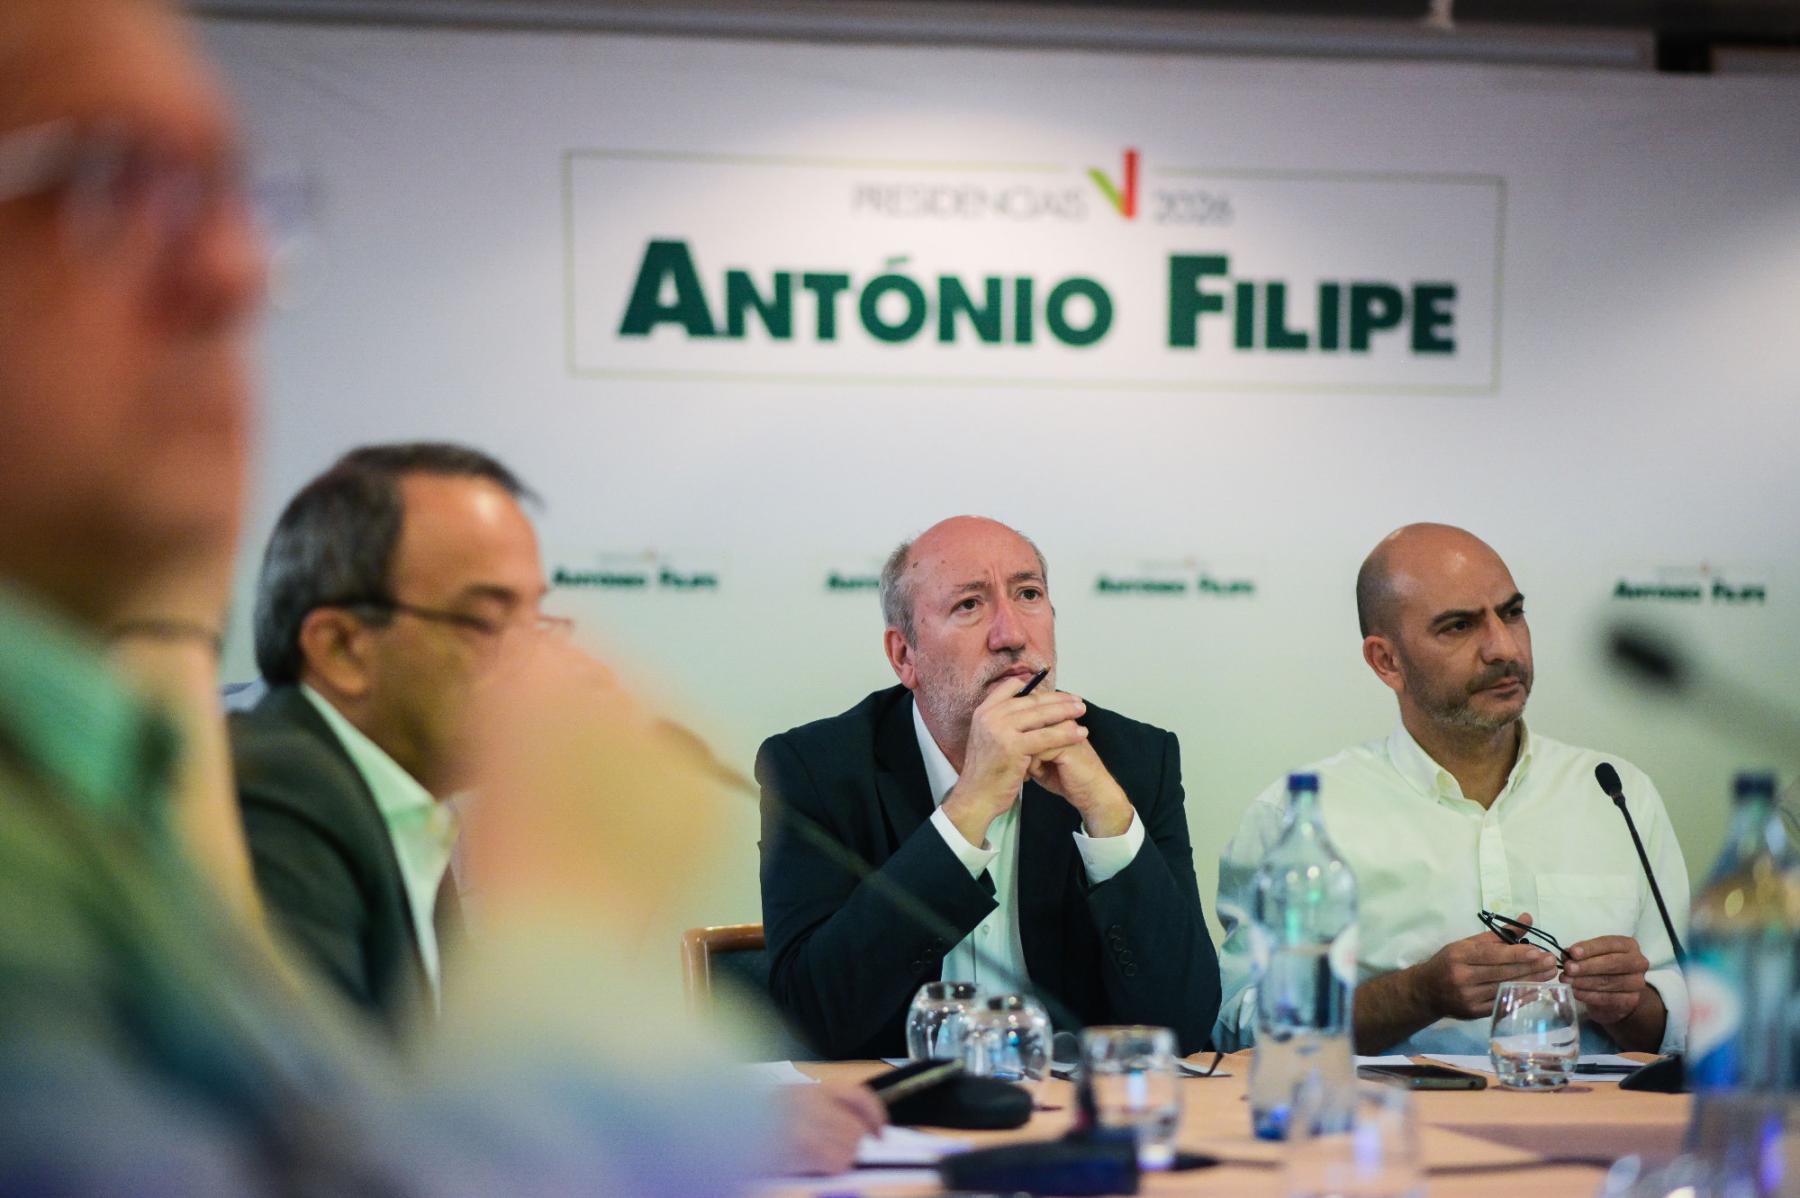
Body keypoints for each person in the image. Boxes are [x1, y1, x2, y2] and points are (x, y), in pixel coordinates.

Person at [0, 0, 880, 1186]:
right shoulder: (284, 792)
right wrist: (563, 933)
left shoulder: (186, 782)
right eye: (111, 183)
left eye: (228, 197)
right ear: (342, 648)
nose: (236, 268)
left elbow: (324, 1134)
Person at [1215, 523, 1688, 1057]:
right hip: (1385, 1112)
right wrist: (1415, 995)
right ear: (1387, 661)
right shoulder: (1300, 817)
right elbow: (1239, 1028)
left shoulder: (1617, 794)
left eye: (1512, 613)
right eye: (1459, 626)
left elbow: (1690, 1024)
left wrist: (1629, 1004)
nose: (1503, 647)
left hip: (1590, 1110)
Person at [759, 515, 1220, 1059]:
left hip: (1067, 1104)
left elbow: (1184, 1024)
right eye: (969, 605)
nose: (1012, 635)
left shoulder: (1132, 761)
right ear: (905, 655)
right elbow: (808, 1022)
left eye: (1028, 594)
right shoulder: (814, 770)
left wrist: (1106, 814)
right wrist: (968, 810)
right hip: (893, 1103)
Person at [233, 442, 549, 1030]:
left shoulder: (405, 807)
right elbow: (316, 1082)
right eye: (487, 622)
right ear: (342, 648)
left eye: (536, 622)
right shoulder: (277, 790)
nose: (535, 665)